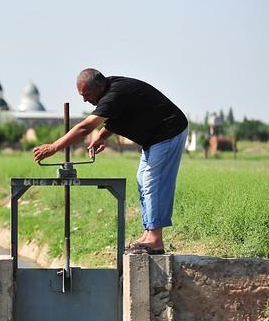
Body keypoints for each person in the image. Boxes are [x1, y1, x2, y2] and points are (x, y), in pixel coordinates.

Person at [33, 68, 188, 255]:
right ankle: (149, 234)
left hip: (168, 132)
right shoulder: (111, 90)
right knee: (142, 179)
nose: (85, 100)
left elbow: (84, 128)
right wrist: (102, 136)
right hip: (155, 138)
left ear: (99, 86)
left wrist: (53, 147)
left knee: (151, 181)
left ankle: (155, 240)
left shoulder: (114, 94)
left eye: (87, 95)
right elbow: (119, 115)